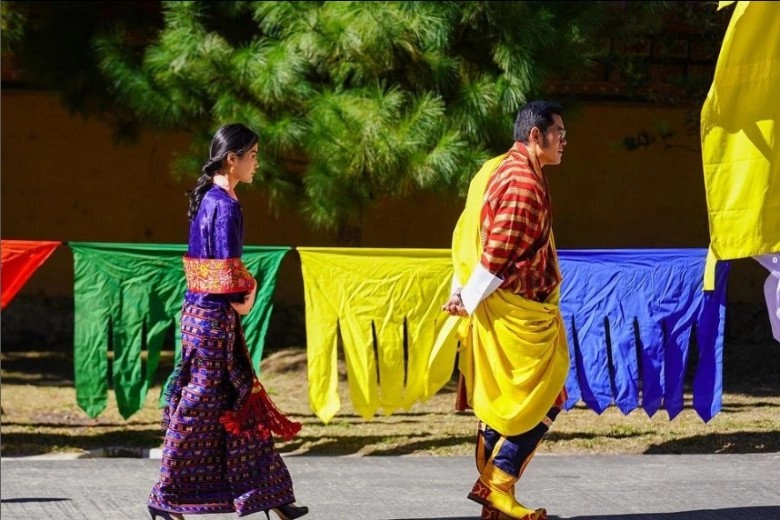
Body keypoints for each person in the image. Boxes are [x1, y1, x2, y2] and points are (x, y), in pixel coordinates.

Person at [148, 123, 309, 520]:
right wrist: (246, 294)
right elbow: (223, 270)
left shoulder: (211, 199)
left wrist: (239, 289)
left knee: (241, 400)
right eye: (252, 155)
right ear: (231, 159)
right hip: (214, 319)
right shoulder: (225, 204)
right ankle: (164, 496)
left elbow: (215, 268)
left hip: (201, 318)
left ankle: (272, 495)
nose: (257, 163)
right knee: (204, 403)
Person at [442, 101, 571, 520]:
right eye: (558, 133)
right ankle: (498, 479)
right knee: (548, 395)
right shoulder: (522, 183)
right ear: (535, 136)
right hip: (517, 311)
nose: (564, 141)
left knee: (507, 397)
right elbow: (496, 252)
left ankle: (493, 494)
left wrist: (463, 289)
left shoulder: (498, 167)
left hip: (507, 306)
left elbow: (466, 232)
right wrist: (466, 297)